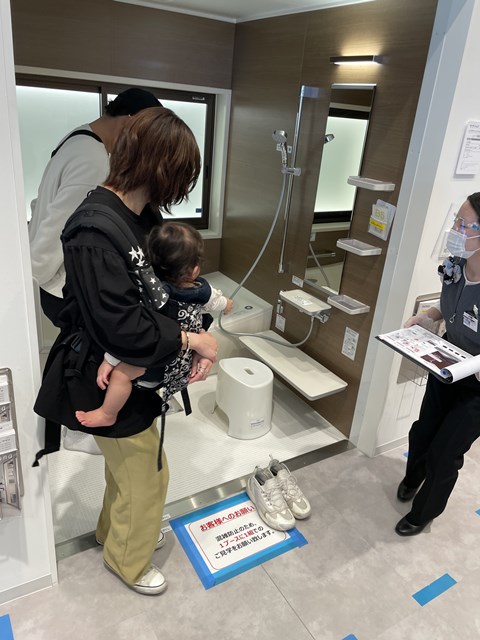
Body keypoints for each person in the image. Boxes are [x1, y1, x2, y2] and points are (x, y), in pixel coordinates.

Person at [33, 107, 218, 595]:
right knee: (147, 477)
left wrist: (198, 332)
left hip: (135, 373)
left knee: (126, 473)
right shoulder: (94, 230)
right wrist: (191, 340)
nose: (179, 190)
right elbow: (124, 328)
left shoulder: (140, 216)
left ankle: (113, 534)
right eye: (180, 176)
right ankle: (128, 562)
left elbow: (164, 292)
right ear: (161, 168)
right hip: (105, 375)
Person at [75, 220, 233, 428]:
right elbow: (219, 302)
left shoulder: (152, 294)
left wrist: (109, 361)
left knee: (121, 374)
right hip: (182, 361)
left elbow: (133, 335)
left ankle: (107, 413)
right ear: (195, 271)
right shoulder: (203, 290)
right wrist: (227, 304)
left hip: (158, 360)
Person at [28, 87, 161, 327]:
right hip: (59, 286)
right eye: (143, 135)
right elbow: (60, 224)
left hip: (47, 276)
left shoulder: (77, 137)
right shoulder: (94, 161)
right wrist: (34, 276)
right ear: (129, 122)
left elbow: (41, 203)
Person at [395, 192, 480, 536]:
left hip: (477, 386)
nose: (455, 230)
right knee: (424, 430)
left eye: (464, 224)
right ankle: (412, 477)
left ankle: (423, 514)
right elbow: (450, 303)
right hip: (447, 362)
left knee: (446, 452)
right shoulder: (457, 264)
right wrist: (427, 317)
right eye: (456, 221)